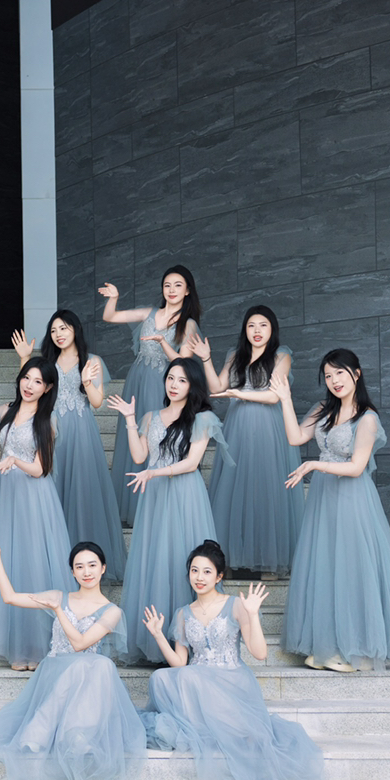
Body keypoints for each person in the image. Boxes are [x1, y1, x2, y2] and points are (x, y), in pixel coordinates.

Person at [140, 540, 325, 780]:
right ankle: (204, 729)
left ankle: (220, 730)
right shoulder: (183, 613)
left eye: (207, 571)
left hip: (231, 681)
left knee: (190, 676)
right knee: (161, 677)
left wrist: (252, 614)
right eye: (194, 570)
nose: (199, 577)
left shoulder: (236, 604)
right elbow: (180, 663)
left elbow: (260, 653)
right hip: (197, 681)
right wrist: (159, 635)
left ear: (219, 576)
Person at [271, 349, 390, 672]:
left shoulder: (367, 418)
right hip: (324, 496)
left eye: (340, 373)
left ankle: (354, 648)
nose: (334, 380)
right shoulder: (322, 409)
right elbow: (295, 437)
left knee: (350, 567)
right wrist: (285, 399)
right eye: (328, 375)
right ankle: (326, 646)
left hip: (352, 497)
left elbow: (356, 466)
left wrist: (313, 465)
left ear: (356, 374)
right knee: (326, 566)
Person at [0, 538, 146, 780]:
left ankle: (71, 736)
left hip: (87, 675)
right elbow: (10, 597)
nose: (86, 572)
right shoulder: (59, 597)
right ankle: (71, 737)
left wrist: (59, 611)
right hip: (55, 670)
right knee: (96, 665)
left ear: (103, 568)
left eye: (92, 565)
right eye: (79, 566)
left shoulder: (112, 611)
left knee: (100, 664)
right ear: (72, 572)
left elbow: (80, 643)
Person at [108, 357, 227, 663]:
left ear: (193, 385)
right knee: (155, 559)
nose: (174, 385)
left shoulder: (202, 418)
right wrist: (130, 419)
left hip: (185, 494)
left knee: (185, 557)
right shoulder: (151, 417)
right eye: (171, 378)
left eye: (182, 380)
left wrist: (154, 472)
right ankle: (158, 643)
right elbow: (139, 456)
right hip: (155, 497)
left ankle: (193, 644)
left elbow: (190, 463)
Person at [0, 358, 72, 670]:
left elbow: (39, 469)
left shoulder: (47, 420)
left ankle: (35, 647)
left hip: (34, 498)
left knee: (33, 561)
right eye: (26, 378)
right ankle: (14, 644)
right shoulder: (7, 410)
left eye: (37, 381)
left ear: (47, 388)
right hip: (6, 496)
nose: (29, 385)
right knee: (8, 558)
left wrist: (14, 461)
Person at [191, 305, 302, 576]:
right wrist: (206, 359)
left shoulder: (281, 355)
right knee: (235, 488)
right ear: (245, 329)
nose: (257, 331)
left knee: (266, 487)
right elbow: (218, 387)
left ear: (272, 329)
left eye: (263, 325)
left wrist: (240, 394)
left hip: (267, 427)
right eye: (251, 325)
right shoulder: (235, 355)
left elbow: (274, 396)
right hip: (238, 426)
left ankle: (269, 558)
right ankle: (229, 558)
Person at [13, 320, 126, 580]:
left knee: (82, 494)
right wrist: (25, 359)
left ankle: (85, 563)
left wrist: (87, 382)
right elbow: (29, 392)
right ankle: (54, 561)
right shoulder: (47, 362)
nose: (58, 334)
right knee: (51, 490)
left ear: (75, 329)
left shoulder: (92, 360)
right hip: (49, 430)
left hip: (81, 432)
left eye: (63, 328)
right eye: (53, 330)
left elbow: (97, 402)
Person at [100, 265, 201, 526]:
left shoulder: (188, 324)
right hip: (138, 379)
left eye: (178, 285)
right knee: (135, 435)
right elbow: (110, 317)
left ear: (187, 290)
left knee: (158, 438)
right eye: (167, 285)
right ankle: (135, 506)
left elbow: (183, 363)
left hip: (165, 384)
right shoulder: (149, 313)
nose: (171, 290)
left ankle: (161, 505)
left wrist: (163, 343)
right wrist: (114, 298)